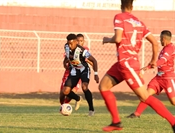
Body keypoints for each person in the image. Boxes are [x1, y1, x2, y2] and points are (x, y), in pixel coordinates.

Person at [99, 0, 175, 132]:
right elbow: (154, 43)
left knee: (144, 96)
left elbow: (117, 38)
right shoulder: (139, 22)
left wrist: (107, 39)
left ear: (121, 5)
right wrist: (152, 60)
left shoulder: (119, 17)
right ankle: (116, 122)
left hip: (127, 63)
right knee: (104, 86)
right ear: (132, 6)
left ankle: (173, 122)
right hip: (123, 63)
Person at [127, 30, 175, 119]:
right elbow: (157, 62)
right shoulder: (164, 48)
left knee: (173, 101)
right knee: (146, 94)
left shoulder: (170, 48)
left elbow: (163, 60)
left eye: (160, 39)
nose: (160, 40)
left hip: (168, 77)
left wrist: (155, 64)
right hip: (159, 77)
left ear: (164, 39)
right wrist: (147, 68)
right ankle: (137, 114)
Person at [62, 33, 99, 116]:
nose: (70, 45)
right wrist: (65, 63)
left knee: (84, 87)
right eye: (68, 43)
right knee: (65, 91)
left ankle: (91, 109)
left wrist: (96, 74)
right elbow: (67, 56)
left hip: (83, 70)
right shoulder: (66, 47)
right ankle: (78, 98)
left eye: (71, 43)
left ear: (76, 42)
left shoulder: (82, 51)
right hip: (74, 70)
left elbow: (94, 61)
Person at [59, 34, 92, 105]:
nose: (79, 42)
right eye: (78, 41)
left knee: (72, 91)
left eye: (81, 41)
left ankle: (68, 105)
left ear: (84, 41)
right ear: (75, 41)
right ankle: (63, 106)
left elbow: (88, 59)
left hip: (79, 72)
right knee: (62, 94)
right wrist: (65, 63)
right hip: (69, 72)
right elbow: (67, 58)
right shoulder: (69, 47)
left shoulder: (85, 50)